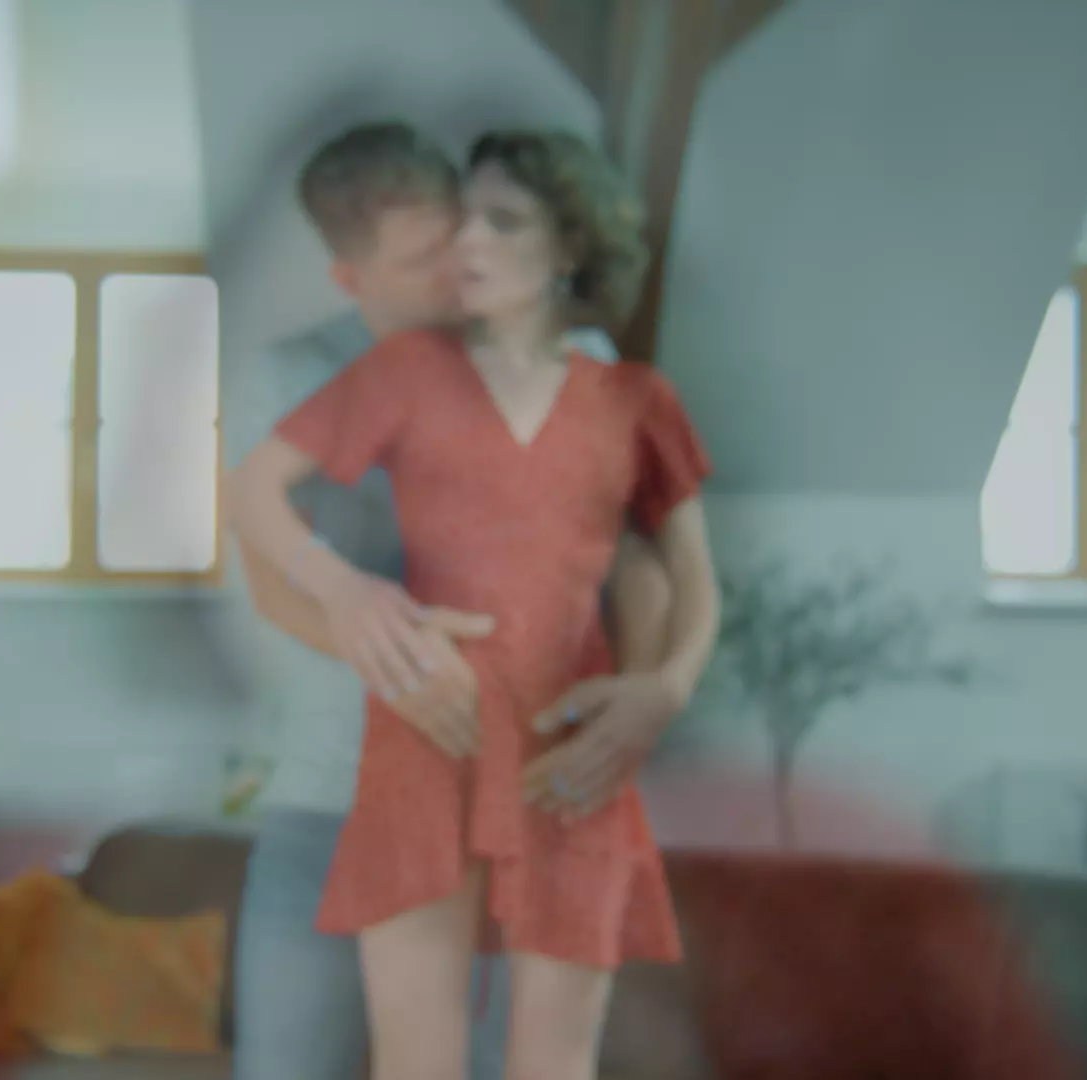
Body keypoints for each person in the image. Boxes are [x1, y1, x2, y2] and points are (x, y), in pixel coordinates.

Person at [228, 128, 720, 1080]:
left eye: (495, 223)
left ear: (566, 244)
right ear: (352, 276)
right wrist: (362, 608)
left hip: (562, 764)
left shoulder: (618, 386)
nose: (466, 250)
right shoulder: (371, 375)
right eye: (447, 239)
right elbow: (258, 524)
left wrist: (657, 691)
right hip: (387, 761)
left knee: (547, 1062)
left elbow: (659, 570)